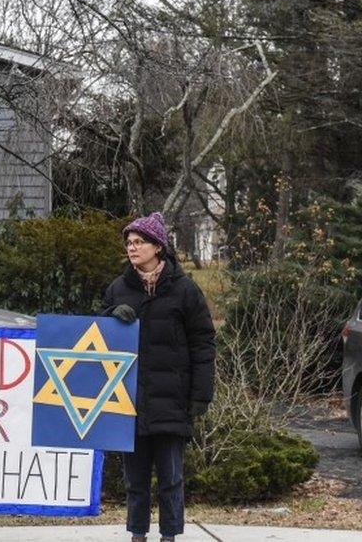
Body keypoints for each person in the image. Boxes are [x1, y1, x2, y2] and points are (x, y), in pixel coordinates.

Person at [102, 212, 216, 542]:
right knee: (134, 481)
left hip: (173, 400)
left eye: (138, 242)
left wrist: (200, 395)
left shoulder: (185, 291)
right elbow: (96, 340)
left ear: (158, 247)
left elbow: (203, 342)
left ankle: (170, 536)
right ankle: (137, 534)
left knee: (171, 478)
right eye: (128, 242)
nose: (131, 247)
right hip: (129, 400)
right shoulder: (118, 289)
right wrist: (111, 316)